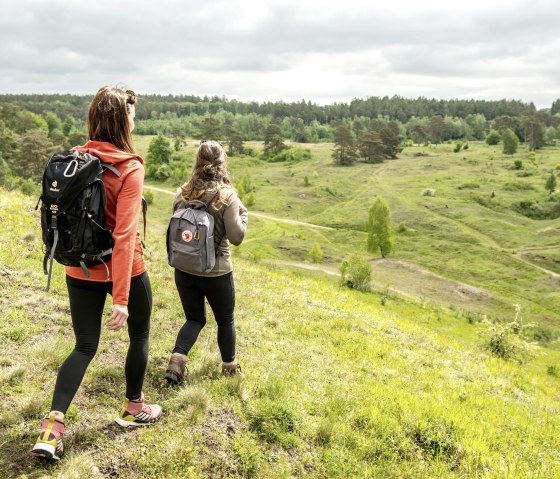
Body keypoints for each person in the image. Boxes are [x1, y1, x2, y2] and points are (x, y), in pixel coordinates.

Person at [32, 86, 161, 461]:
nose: (135, 120)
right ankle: (133, 409)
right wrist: (120, 297)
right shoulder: (129, 167)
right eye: (133, 115)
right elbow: (124, 237)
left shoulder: (75, 158)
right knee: (139, 336)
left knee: (84, 346)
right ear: (123, 121)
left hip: (79, 267)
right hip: (125, 270)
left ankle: (51, 429)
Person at [166, 140, 248, 385]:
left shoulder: (182, 192)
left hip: (183, 269)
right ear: (222, 164)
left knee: (194, 319)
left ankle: (177, 361)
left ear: (197, 162)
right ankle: (230, 368)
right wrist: (244, 215)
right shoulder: (226, 197)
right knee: (225, 320)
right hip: (217, 272)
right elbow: (237, 238)